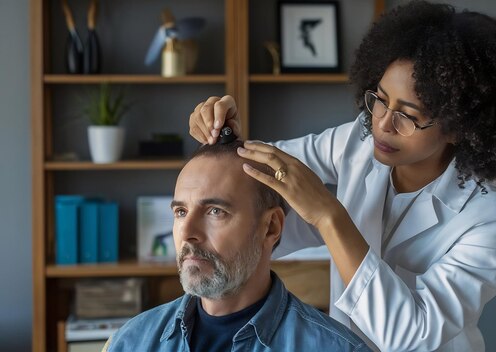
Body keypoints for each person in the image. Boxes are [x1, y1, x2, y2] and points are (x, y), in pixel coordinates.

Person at [188, 1, 496, 351]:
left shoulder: (494, 219)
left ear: (457, 128)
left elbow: (410, 335)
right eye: (381, 99)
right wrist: (225, 135)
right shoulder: (359, 139)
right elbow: (259, 170)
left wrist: (329, 216)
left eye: (408, 114)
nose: (383, 124)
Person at [104, 141, 370, 352]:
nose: (187, 233)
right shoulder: (130, 342)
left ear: (271, 227)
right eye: (181, 212)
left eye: (215, 211)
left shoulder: (337, 348)